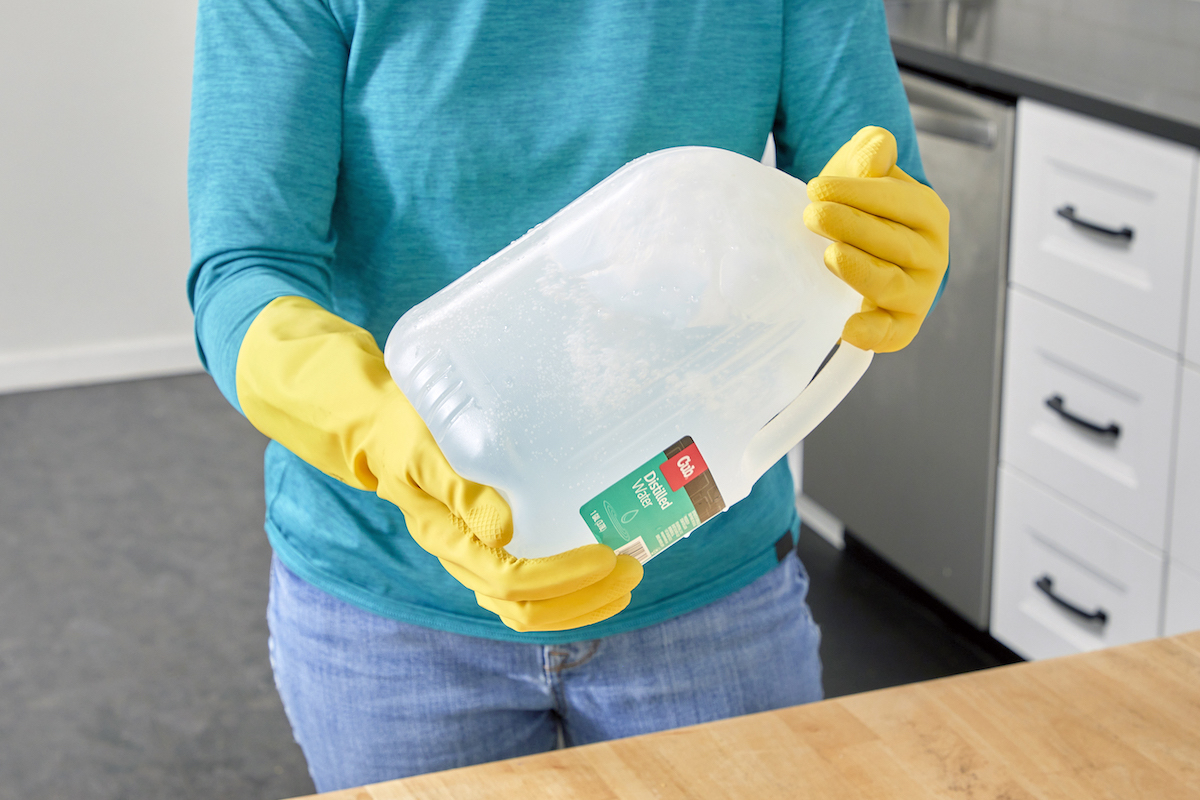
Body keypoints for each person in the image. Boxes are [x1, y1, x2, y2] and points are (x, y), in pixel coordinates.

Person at [187, 0, 949, 791]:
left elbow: (868, 205)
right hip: (391, 606)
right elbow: (245, 271)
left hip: (706, 580)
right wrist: (383, 440)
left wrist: (890, 254)